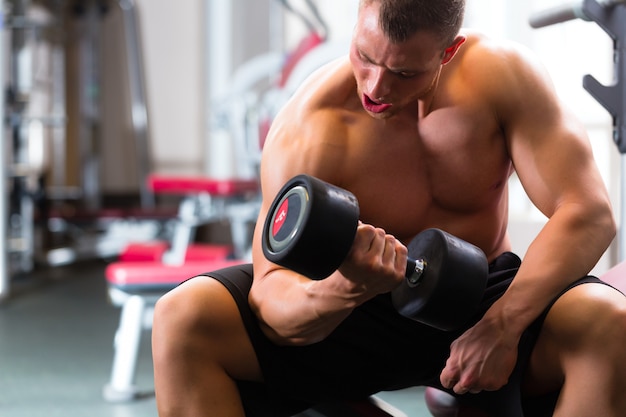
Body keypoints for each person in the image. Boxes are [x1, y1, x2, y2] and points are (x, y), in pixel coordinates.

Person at [152, 0, 626, 415]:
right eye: (365, 56)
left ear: (449, 51)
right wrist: (344, 288)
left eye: (404, 73)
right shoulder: (311, 126)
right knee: (183, 318)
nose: (377, 88)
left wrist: (503, 326)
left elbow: (588, 211)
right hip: (350, 314)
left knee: (608, 324)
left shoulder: (502, 78)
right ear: (359, 16)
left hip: (479, 299)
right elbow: (272, 301)